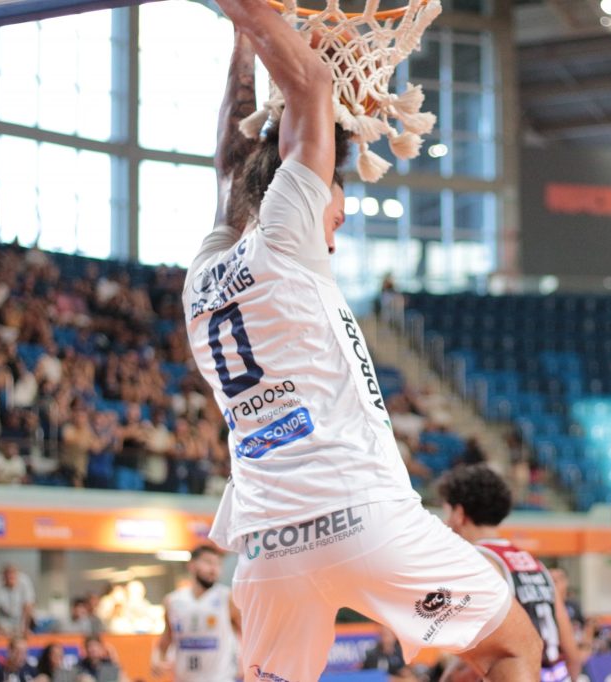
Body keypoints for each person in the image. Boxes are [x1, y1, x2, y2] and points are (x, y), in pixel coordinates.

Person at [182, 2, 541, 679]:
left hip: (268, 547)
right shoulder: (287, 239)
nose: (335, 235)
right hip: (359, 516)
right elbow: (312, 85)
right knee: (513, 647)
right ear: (304, 198)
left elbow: (231, 167)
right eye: (337, 216)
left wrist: (239, 45)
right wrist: (247, 16)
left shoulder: (201, 279)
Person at [436, 464, 583, 682]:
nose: (446, 522)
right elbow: (572, 653)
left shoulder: (478, 562)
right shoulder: (534, 564)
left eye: (447, 512)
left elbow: (486, 655)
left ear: (458, 514)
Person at [153, 545, 240, 681]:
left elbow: (247, 634)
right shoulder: (172, 601)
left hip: (221, 678)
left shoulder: (227, 597)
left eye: (218, 564)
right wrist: (156, 658)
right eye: (208, 562)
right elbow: (164, 642)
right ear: (192, 565)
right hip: (184, 678)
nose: (213, 569)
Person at [0, 565, 35, 636]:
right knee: (3, 634)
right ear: (4, 577)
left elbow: (28, 606)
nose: (10, 578)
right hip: (3, 619)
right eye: (8, 576)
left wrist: (25, 628)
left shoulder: (25, 581)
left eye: (13, 576)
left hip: (21, 617)